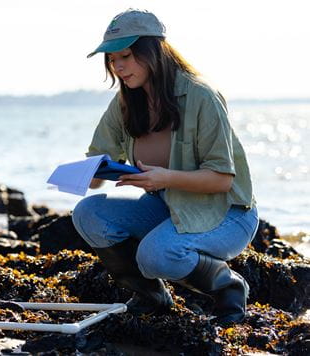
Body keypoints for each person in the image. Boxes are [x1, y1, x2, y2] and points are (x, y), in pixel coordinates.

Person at [71, 9, 259, 326]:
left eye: (126, 56)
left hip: (227, 214)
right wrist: (85, 174)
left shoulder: (201, 96)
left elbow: (222, 180)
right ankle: (150, 296)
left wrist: (164, 178)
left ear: (152, 51)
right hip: (169, 206)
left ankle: (229, 287)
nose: (118, 66)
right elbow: (97, 164)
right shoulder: (124, 103)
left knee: (155, 255)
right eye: (112, 59)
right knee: (87, 214)